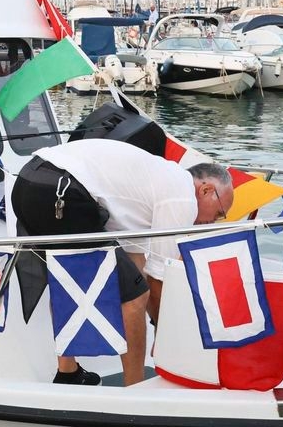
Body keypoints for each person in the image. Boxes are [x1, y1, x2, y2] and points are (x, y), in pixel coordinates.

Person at [12, 139, 233, 387]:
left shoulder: (147, 189)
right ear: (205, 190)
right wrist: (166, 338)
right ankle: (135, 388)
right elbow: (157, 283)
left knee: (66, 278)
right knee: (134, 298)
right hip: (62, 191)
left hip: (28, 183)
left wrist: (147, 302)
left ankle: (68, 372)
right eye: (219, 213)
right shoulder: (182, 196)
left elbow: (136, 264)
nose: (212, 222)